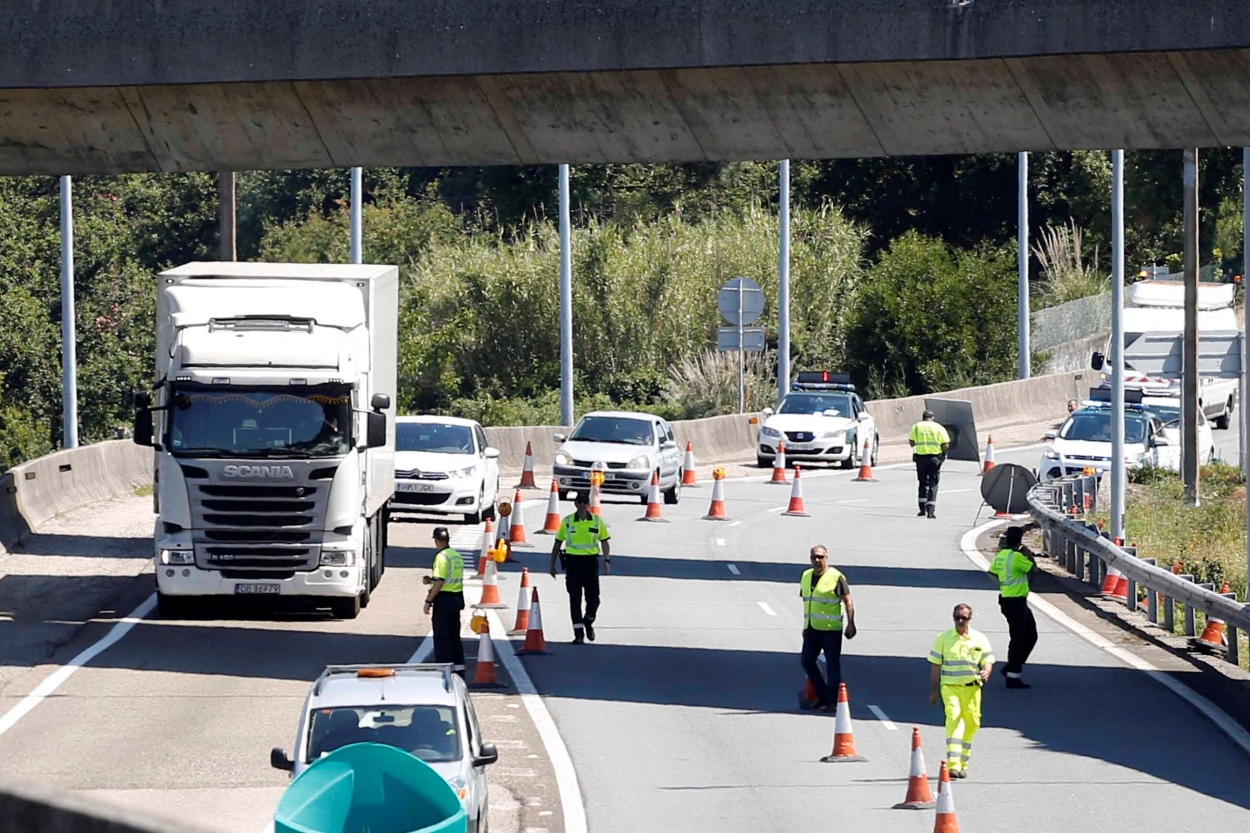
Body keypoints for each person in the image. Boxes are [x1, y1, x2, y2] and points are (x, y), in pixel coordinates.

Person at [928, 604, 995, 779]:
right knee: (954, 718)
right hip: (950, 687)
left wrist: (986, 671)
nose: (959, 621)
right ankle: (953, 764)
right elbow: (935, 665)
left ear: (969, 619)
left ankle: (963, 762)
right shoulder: (943, 638)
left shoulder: (979, 638)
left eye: (963, 618)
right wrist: (934, 690)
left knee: (972, 723)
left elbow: (988, 660)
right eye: (957, 617)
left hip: (972, 689)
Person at [799, 545, 857, 711]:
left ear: (826, 558)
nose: (817, 560)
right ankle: (823, 695)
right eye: (814, 557)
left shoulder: (836, 577)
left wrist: (851, 623)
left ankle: (832, 701)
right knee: (807, 661)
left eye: (821, 557)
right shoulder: (806, 576)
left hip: (831, 630)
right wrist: (805, 627)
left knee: (832, 665)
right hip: (812, 629)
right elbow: (808, 602)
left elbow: (848, 601)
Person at [550, 492, 611, 644]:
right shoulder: (568, 521)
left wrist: (607, 560)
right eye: (580, 502)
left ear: (588, 504)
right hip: (573, 563)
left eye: (585, 502)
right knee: (574, 599)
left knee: (594, 598)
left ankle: (588, 621)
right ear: (575, 504)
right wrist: (552, 565)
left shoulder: (596, 521)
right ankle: (578, 634)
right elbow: (558, 543)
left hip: (591, 563)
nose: (582, 505)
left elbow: (604, 541)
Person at [990, 526, 1039, 689]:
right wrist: (1028, 554)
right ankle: (1012, 675)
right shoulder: (1017, 557)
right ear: (1019, 541)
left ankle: (1012, 667)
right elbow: (1033, 569)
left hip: (1008, 600)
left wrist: (1003, 586)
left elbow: (992, 572)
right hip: (1016, 602)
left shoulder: (1000, 556)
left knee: (1029, 635)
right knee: (1019, 638)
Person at [423, 527, 465, 676]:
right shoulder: (456, 556)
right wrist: (430, 580)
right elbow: (449, 578)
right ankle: (459, 672)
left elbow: (440, 581)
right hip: (457, 599)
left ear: (436, 540)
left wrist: (428, 600)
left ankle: (443, 672)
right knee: (454, 638)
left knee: (442, 639)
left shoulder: (441, 557)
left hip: (444, 601)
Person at [909, 409, 951, 519]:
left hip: (921, 459)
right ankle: (931, 511)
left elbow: (912, 443)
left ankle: (922, 509)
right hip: (934, 458)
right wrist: (943, 454)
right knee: (933, 484)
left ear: (923, 417)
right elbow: (946, 444)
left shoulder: (916, 427)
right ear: (932, 418)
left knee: (922, 483)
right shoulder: (938, 427)